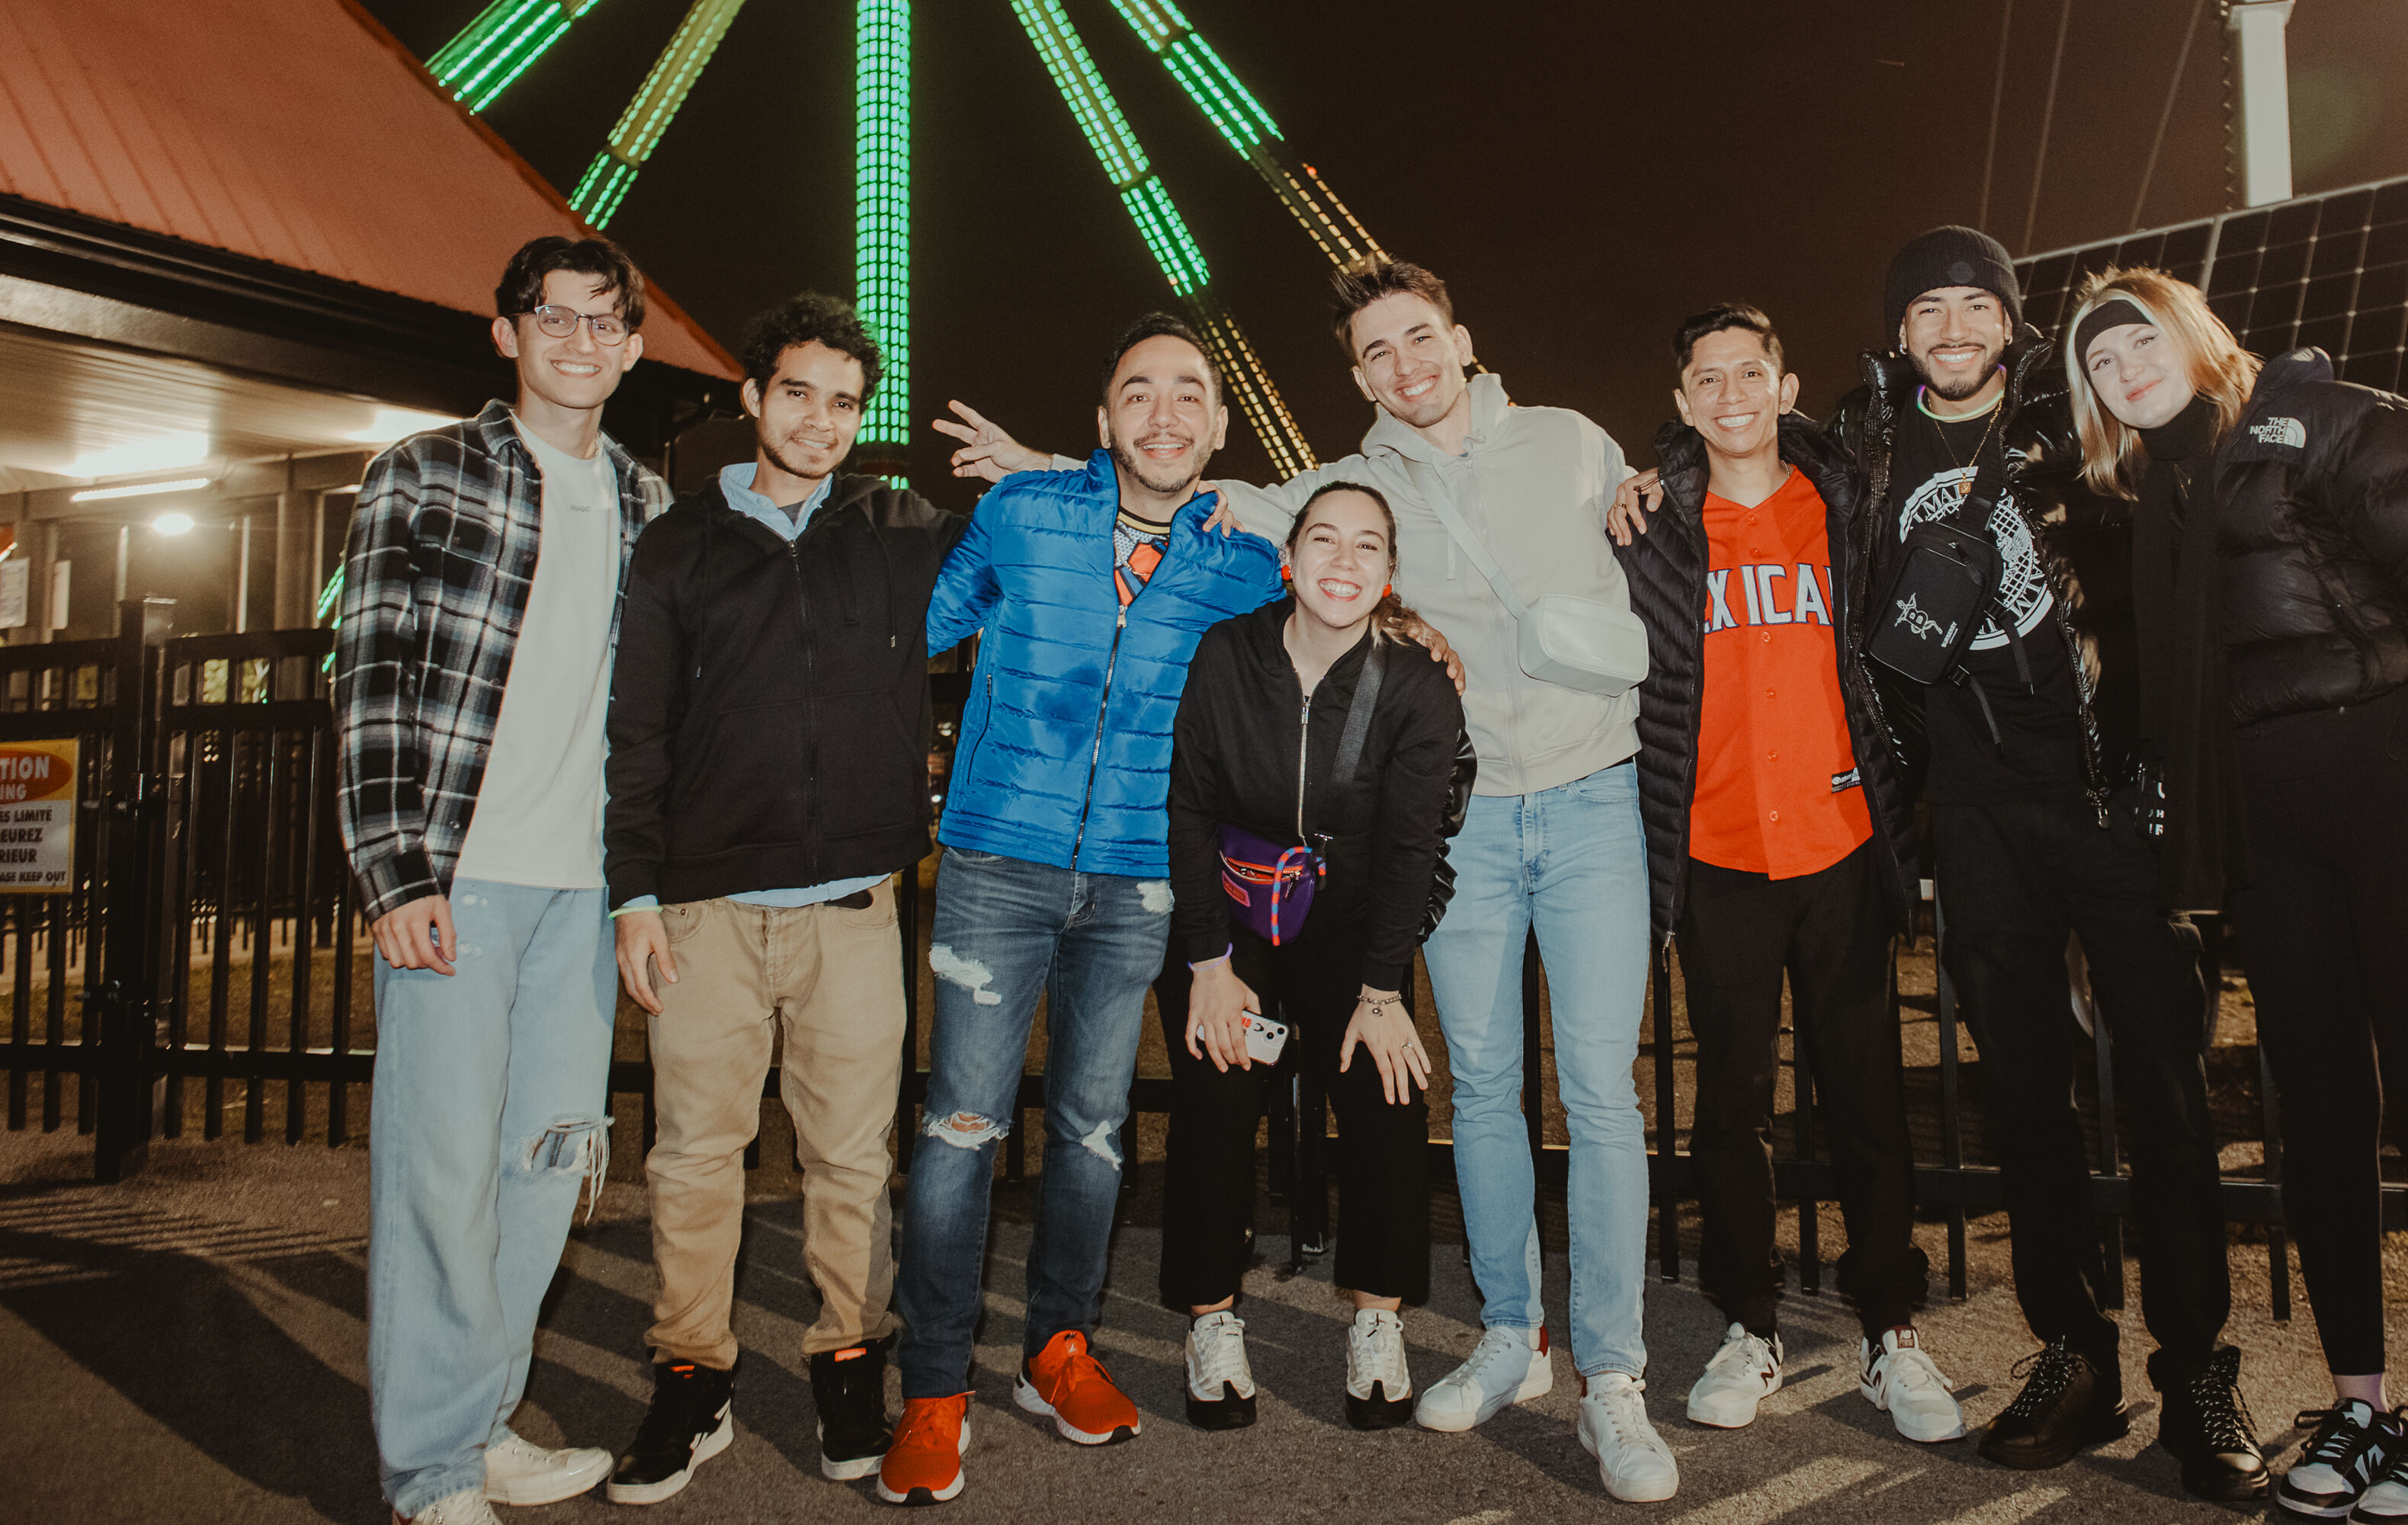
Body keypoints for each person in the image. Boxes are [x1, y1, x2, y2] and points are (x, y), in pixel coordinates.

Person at [940, 255, 1682, 1504]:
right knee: (1484, 1084)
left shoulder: (1569, 441)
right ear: (1358, 378)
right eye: (1378, 353)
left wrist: (1657, 484)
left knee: (1597, 1091)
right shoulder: (1355, 485)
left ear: (1459, 336)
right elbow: (1199, 490)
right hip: (1459, 822)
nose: (1406, 364)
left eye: (1420, 337)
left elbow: (1660, 506)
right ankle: (1513, 1336)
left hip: (1591, 790)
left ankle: (1615, 1378)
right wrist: (1037, 471)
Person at [1616, 229, 2259, 1496]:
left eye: (1978, 305)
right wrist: (1644, 476)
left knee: (2168, 1093)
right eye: (1928, 308)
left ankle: (2197, 1365)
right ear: (1897, 333)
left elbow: (2205, 505)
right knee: (2026, 1089)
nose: (1953, 326)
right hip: (1971, 806)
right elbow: (1743, 449)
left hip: (2113, 794)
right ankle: (2074, 1352)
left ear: (2009, 325)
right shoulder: (1862, 452)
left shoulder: (2084, 421)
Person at [2066, 268, 2408, 1525]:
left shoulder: (2335, 421)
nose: (2124, 370)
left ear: (2193, 334)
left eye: (2138, 342)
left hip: (2392, 795)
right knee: (2318, 1119)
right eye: (2099, 366)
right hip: (2269, 833)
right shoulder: (2156, 498)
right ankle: (2365, 1404)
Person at [875, 313, 1286, 1504]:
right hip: (999, 861)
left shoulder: (1242, 561)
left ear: (1216, 426)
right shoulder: (1025, 514)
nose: (1165, 414)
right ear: (1104, 419)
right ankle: (936, 1385)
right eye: (1138, 394)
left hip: (1139, 875)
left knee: (1099, 1131)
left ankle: (1059, 1348)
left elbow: (1335, 607)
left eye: (1189, 396)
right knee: (962, 1131)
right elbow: (916, 630)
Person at [598, 294, 967, 1503]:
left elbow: (1050, 552)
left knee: (851, 1160)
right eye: (797, 393)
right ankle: (692, 1379)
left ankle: (848, 1363)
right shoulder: (679, 543)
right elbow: (637, 728)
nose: (821, 420)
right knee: (696, 1157)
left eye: (846, 402)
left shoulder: (904, 528)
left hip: (854, 906)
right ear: (753, 398)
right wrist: (635, 895)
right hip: (705, 908)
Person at [335, 233, 668, 1525]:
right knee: (439, 1170)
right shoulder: (425, 474)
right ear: (507, 332)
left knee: (547, 1165)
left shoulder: (649, 504)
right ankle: (425, 1469)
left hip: (583, 893)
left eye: (604, 321)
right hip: (458, 880)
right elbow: (367, 684)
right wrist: (392, 872)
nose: (580, 340)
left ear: (634, 346)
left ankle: (479, 1425)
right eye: (554, 317)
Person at [1608, 305, 1964, 1446]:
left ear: (1785, 383)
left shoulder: (1846, 501)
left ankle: (1890, 1332)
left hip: (1843, 844)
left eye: (1748, 372)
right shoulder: (1652, 523)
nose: (1728, 394)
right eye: (1704, 377)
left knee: (1865, 1099)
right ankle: (1748, 1324)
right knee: (1731, 1106)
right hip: (1715, 852)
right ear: (1682, 402)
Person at [1159, 482, 1468, 1430]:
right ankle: (1211, 1318)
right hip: (1238, 925)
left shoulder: (1414, 684)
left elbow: (1415, 846)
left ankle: (1378, 1317)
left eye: (1366, 545)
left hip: (1351, 927)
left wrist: (1383, 987)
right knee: (1215, 1097)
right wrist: (1209, 961)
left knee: (1386, 1098)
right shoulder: (1228, 653)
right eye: (1323, 539)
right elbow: (1190, 808)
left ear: (1389, 573)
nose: (1343, 560)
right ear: (1287, 557)